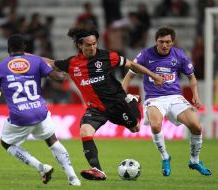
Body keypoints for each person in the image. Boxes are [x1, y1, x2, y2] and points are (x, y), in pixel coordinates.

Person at [42, 27, 163, 180]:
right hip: (96, 108)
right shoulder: (72, 63)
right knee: (85, 131)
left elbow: (132, 65)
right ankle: (97, 170)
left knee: (135, 128)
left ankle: (131, 100)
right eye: (88, 45)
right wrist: (26, 56)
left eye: (94, 44)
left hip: (117, 104)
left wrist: (154, 76)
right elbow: (51, 63)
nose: (92, 47)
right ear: (80, 45)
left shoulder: (107, 57)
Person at [0, 34, 81, 186]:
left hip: (19, 116)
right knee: (52, 140)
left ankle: (41, 167)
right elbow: (59, 78)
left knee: (6, 143)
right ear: (25, 47)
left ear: (8, 49)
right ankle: (73, 178)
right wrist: (62, 71)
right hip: (40, 111)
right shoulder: (37, 61)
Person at [122, 26, 212, 176]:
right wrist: (123, 97)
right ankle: (165, 157)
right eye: (161, 42)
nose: (164, 45)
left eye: (168, 42)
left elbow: (191, 77)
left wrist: (195, 95)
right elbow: (128, 77)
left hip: (175, 97)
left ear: (173, 42)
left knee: (196, 126)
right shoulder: (145, 55)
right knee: (156, 126)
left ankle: (195, 161)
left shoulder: (179, 55)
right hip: (154, 98)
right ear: (156, 41)